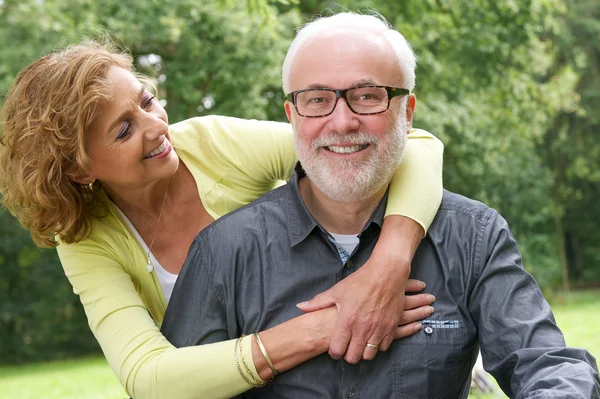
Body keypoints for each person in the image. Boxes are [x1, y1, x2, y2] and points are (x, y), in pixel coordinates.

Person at [161, 11, 600, 399]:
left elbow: (547, 364)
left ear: (407, 112)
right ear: (292, 116)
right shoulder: (224, 251)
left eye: (367, 95)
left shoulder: (473, 237)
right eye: (316, 100)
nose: (343, 121)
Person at [0, 38, 444, 398]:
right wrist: (326, 326)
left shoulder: (212, 143)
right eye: (124, 130)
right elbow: (148, 375)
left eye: (147, 101)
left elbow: (415, 144)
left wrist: (387, 265)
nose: (156, 126)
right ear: (80, 168)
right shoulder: (85, 238)